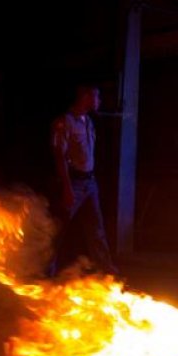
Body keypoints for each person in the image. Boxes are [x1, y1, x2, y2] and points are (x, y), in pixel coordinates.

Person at [47, 83, 119, 277]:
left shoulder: (88, 122)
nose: (99, 101)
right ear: (86, 97)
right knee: (59, 228)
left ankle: (106, 269)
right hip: (74, 184)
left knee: (96, 229)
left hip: (90, 184)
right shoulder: (64, 122)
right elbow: (59, 156)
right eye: (97, 96)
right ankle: (45, 271)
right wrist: (67, 188)